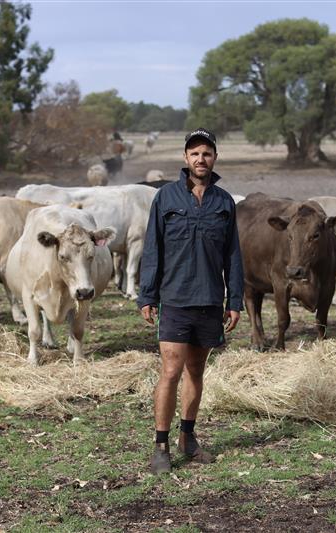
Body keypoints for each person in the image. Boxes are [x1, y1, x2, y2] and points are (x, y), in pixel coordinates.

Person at [137, 128, 244, 474]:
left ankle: (188, 438)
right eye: (195, 153)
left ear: (215, 158)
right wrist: (148, 294)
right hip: (175, 298)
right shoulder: (166, 198)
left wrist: (235, 299)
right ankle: (160, 446)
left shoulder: (224, 202)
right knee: (171, 371)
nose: (201, 159)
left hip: (211, 300)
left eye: (207, 153)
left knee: (196, 371)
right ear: (185, 158)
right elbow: (152, 249)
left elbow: (233, 255)